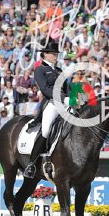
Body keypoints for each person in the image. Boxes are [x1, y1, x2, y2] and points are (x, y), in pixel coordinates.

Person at [23, 41, 67, 178]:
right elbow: (45, 89)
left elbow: (67, 88)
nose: (55, 56)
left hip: (65, 103)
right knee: (46, 130)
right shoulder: (40, 69)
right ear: (45, 54)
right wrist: (63, 98)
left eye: (56, 54)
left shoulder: (59, 70)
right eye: (53, 54)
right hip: (52, 103)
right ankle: (31, 163)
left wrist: (75, 98)